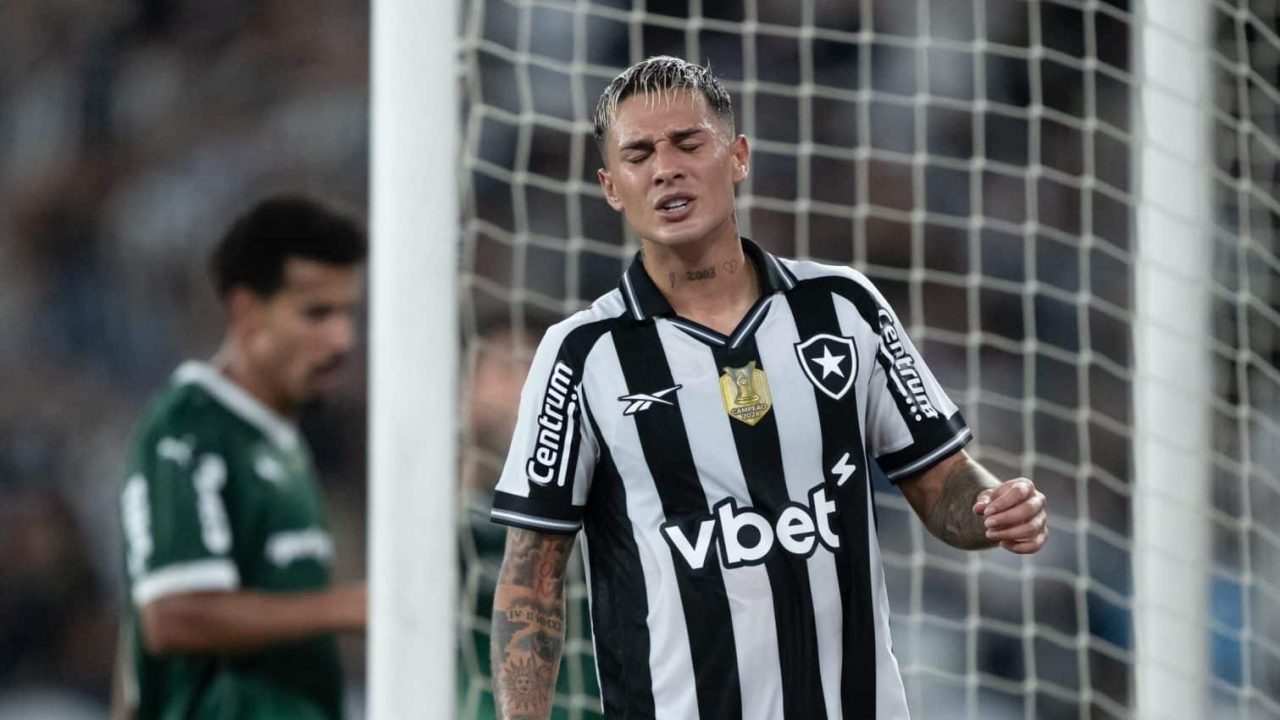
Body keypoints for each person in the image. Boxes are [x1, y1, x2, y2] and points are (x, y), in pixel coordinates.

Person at [488, 56, 1048, 720]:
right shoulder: (583, 354)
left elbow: (942, 481)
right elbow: (531, 576)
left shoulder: (842, 308)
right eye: (639, 155)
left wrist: (992, 508)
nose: (666, 168)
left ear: (739, 157)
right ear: (612, 187)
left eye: (688, 143)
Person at [115, 196, 367, 720]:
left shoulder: (279, 437)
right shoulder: (187, 428)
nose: (343, 339)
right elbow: (172, 615)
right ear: (248, 311)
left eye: (348, 314)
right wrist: (355, 606)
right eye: (317, 313)